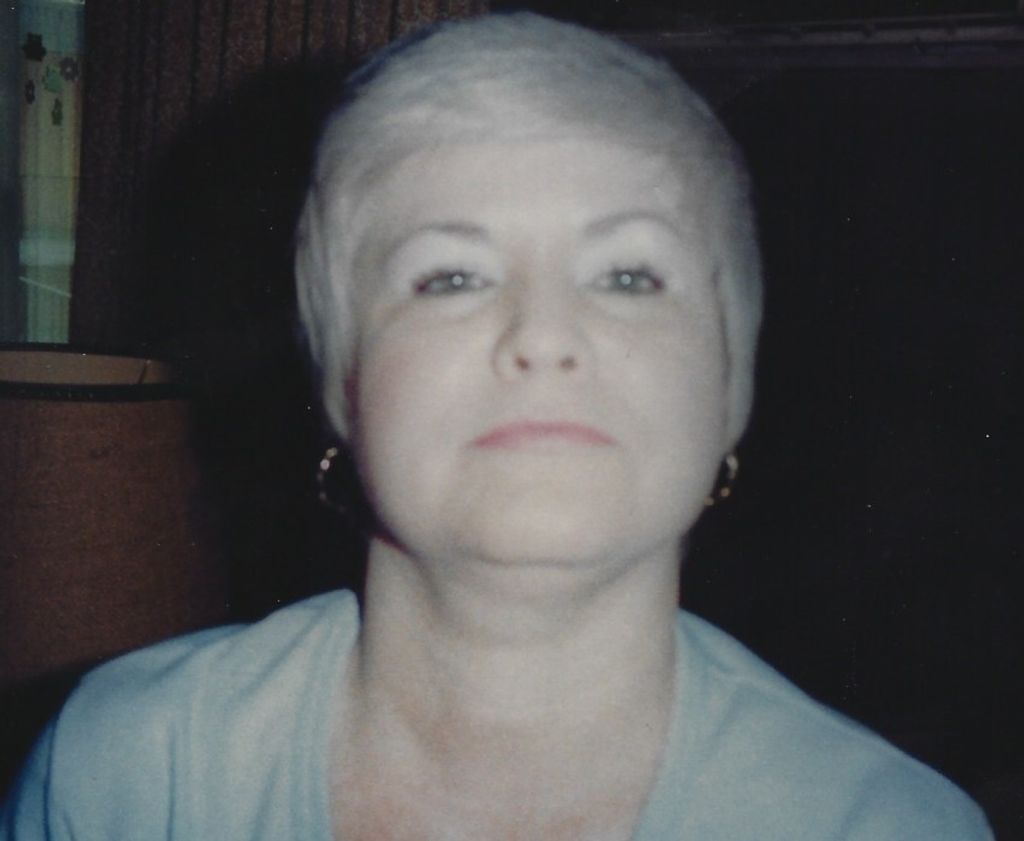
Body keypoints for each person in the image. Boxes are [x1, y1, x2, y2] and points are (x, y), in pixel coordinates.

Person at [0, 12, 993, 840]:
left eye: (629, 275)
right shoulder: (128, 771)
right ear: (342, 381)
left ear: (729, 380)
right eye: (450, 276)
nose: (544, 336)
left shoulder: (888, 825)